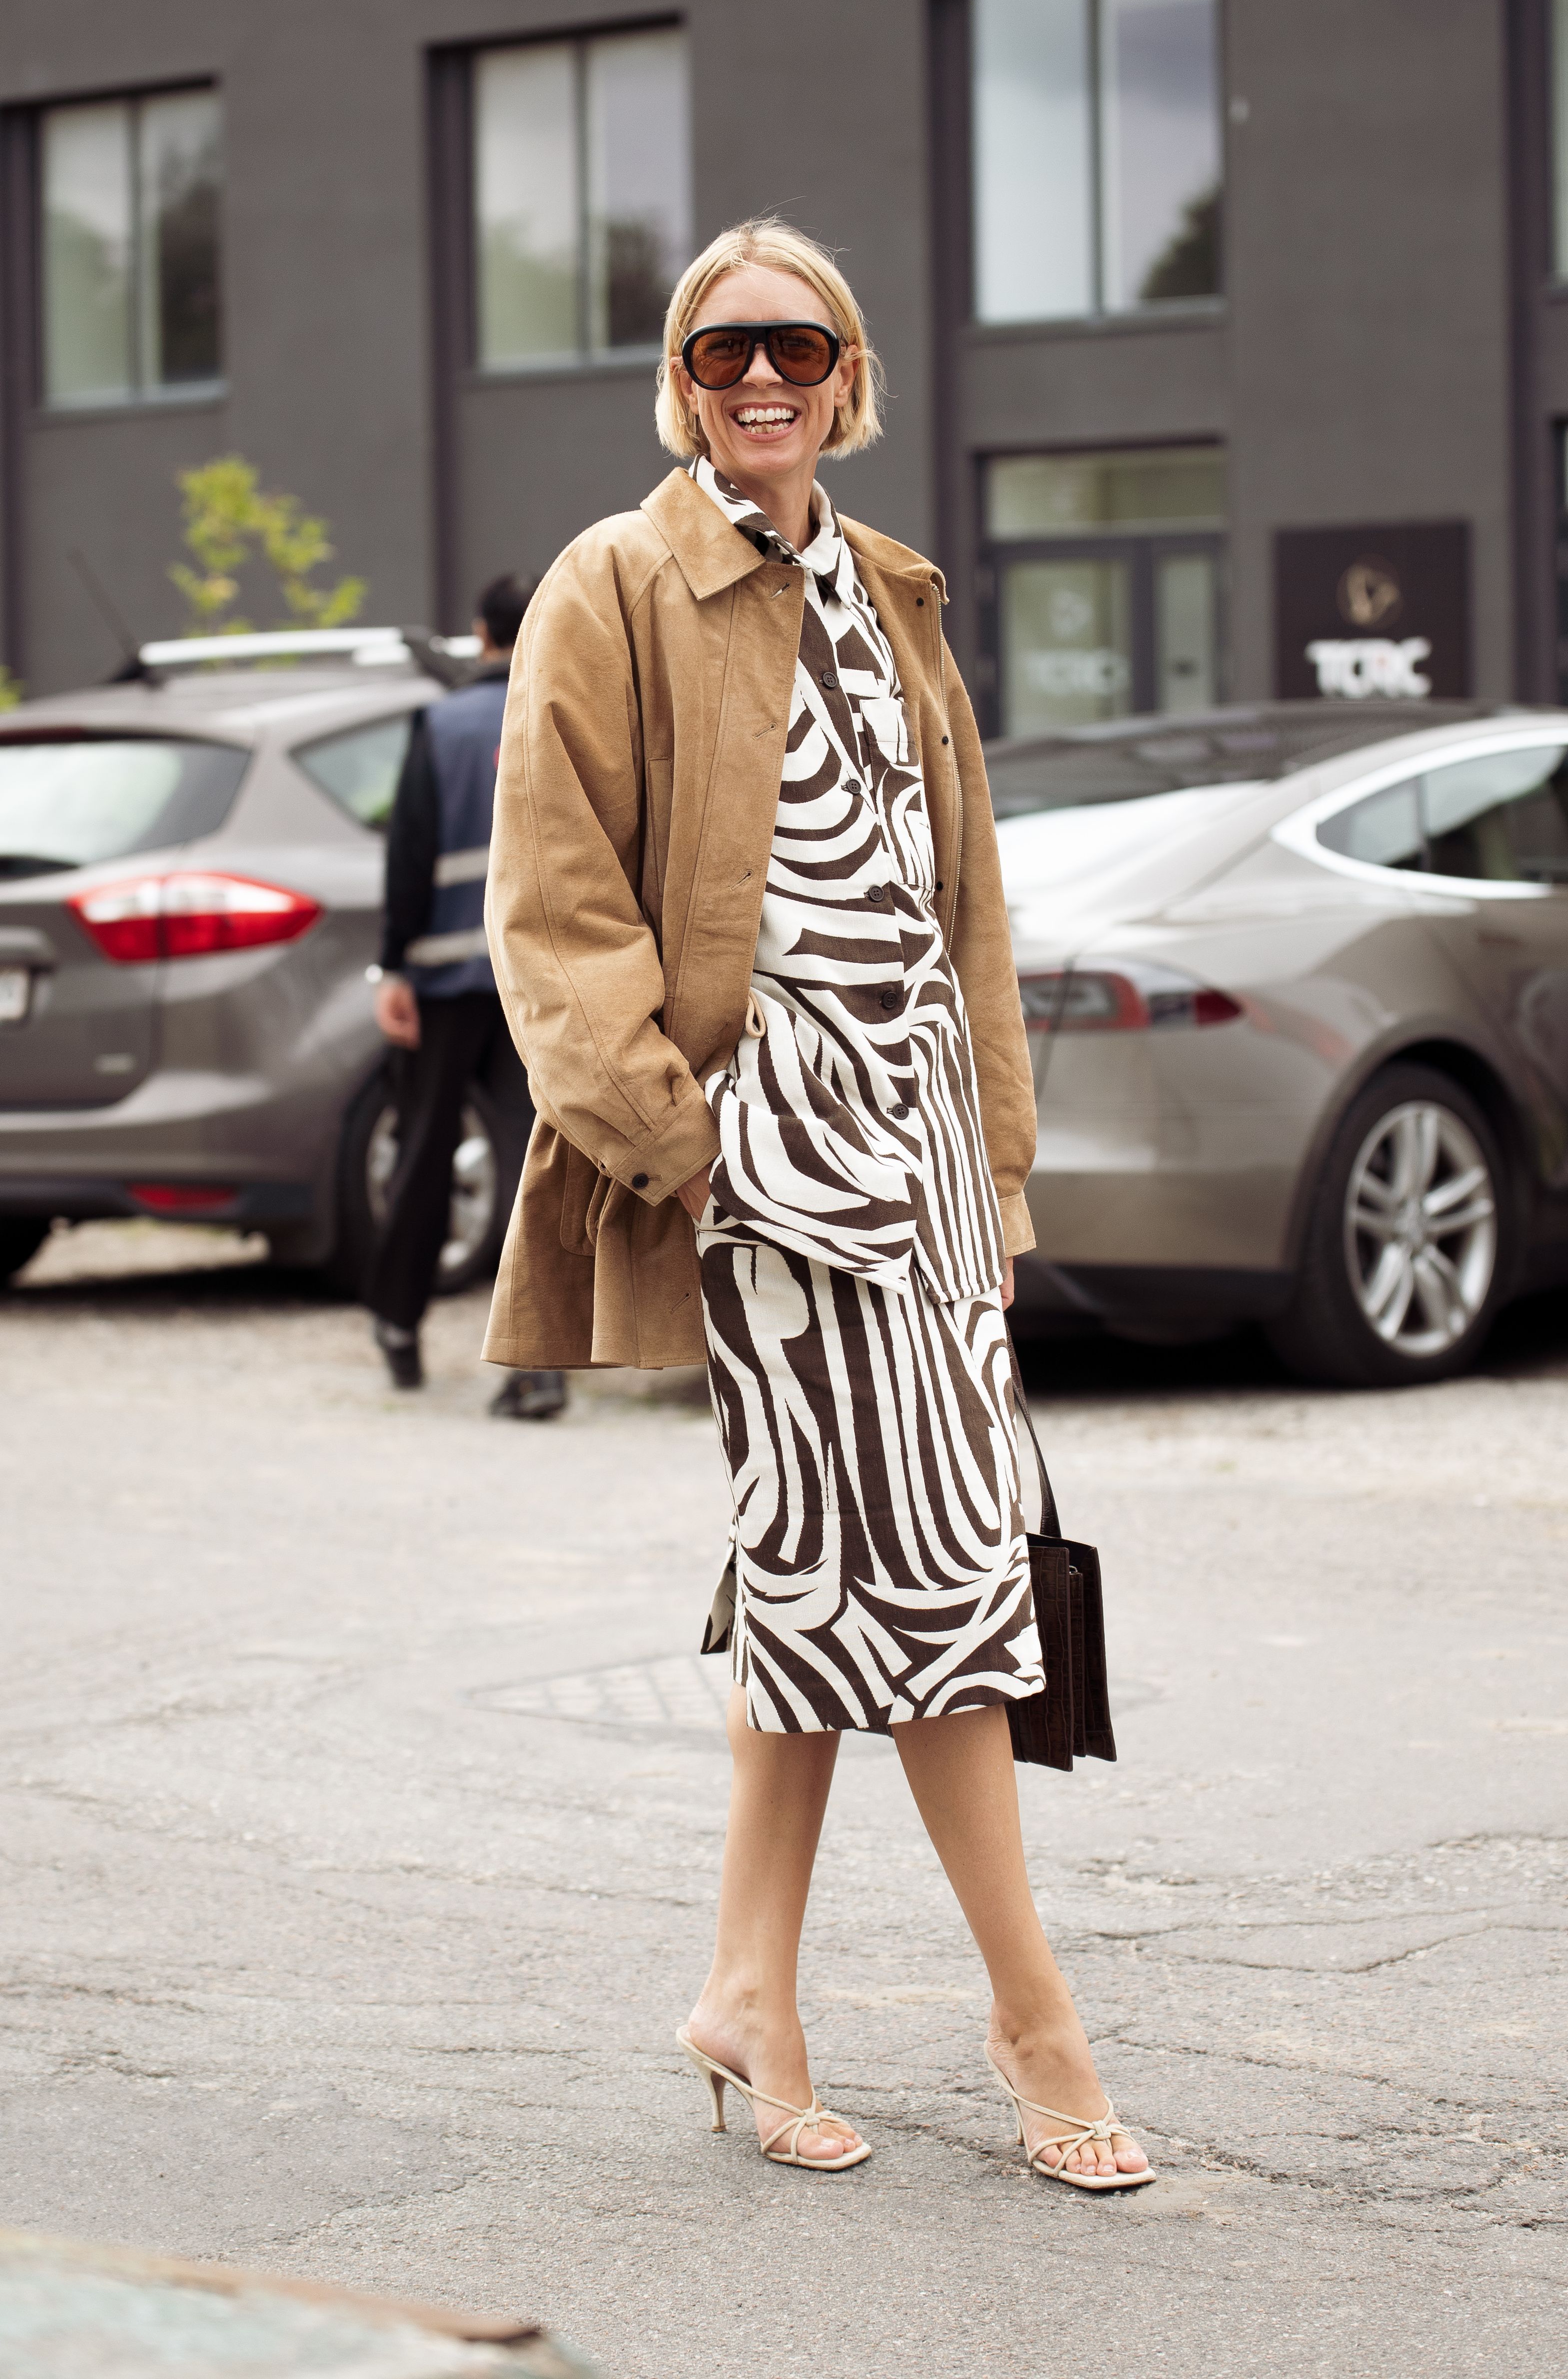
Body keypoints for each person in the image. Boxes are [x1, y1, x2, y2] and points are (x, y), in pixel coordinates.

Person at [482, 220, 1153, 2190]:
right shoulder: (617, 583)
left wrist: (1000, 1174)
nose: (757, 380)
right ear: (677, 386)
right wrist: (691, 1149)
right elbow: (553, 903)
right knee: (934, 1591)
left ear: (848, 378)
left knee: (826, 1567)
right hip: (771, 1169)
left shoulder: (891, 590)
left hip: (928, 1156)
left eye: (793, 347)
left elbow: (969, 914)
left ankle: (743, 1989)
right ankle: (1036, 2015)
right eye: (718, 353)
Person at [366, 573, 565, 1422]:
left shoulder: (440, 724)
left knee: (425, 1153)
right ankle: (540, 1363)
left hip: (447, 980)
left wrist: (395, 969)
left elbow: (407, 856)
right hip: (541, 986)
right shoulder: (563, 713)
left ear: (480, 631)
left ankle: (399, 1328)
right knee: (537, 1167)